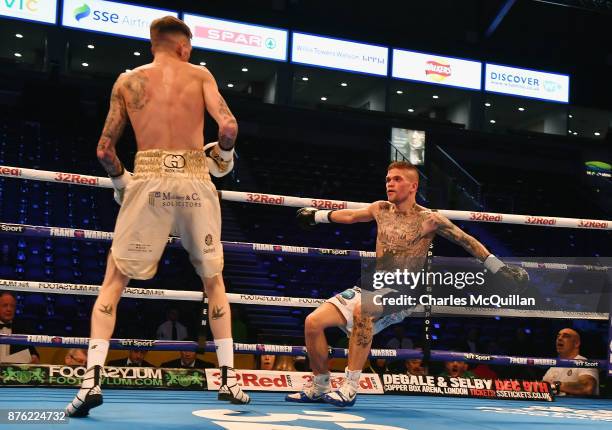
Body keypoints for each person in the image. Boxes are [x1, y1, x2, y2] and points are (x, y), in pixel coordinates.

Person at [66, 16, 249, 417]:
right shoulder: (200, 75)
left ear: (154, 44)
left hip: (147, 178)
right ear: (183, 46)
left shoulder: (127, 82)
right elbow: (230, 127)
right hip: (195, 179)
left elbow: (103, 151)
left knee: (114, 279)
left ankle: (91, 379)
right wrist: (223, 156)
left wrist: (121, 184)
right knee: (213, 280)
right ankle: (230, 379)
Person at [286, 161, 528, 406]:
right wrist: (317, 216)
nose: (390, 183)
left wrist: (500, 269)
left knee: (363, 312)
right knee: (313, 322)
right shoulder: (380, 209)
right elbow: (350, 216)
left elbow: (466, 241)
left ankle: (350, 386)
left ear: (413, 186)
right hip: (372, 282)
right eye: (388, 179)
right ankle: (320, 384)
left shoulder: (430, 219)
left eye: (397, 179)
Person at [542, 328, 599, 396]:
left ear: (576, 343)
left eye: (565, 336)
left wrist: (555, 386)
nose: (559, 338)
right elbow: (543, 388)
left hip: (579, 406)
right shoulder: (554, 367)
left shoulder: (585, 363)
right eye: (558, 336)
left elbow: (587, 387)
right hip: (555, 405)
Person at [0, 291, 39, 364]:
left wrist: (34, 357)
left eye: (12, 306)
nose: (9, 309)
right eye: (5, 305)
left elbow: (33, 354)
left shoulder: (22, 328)